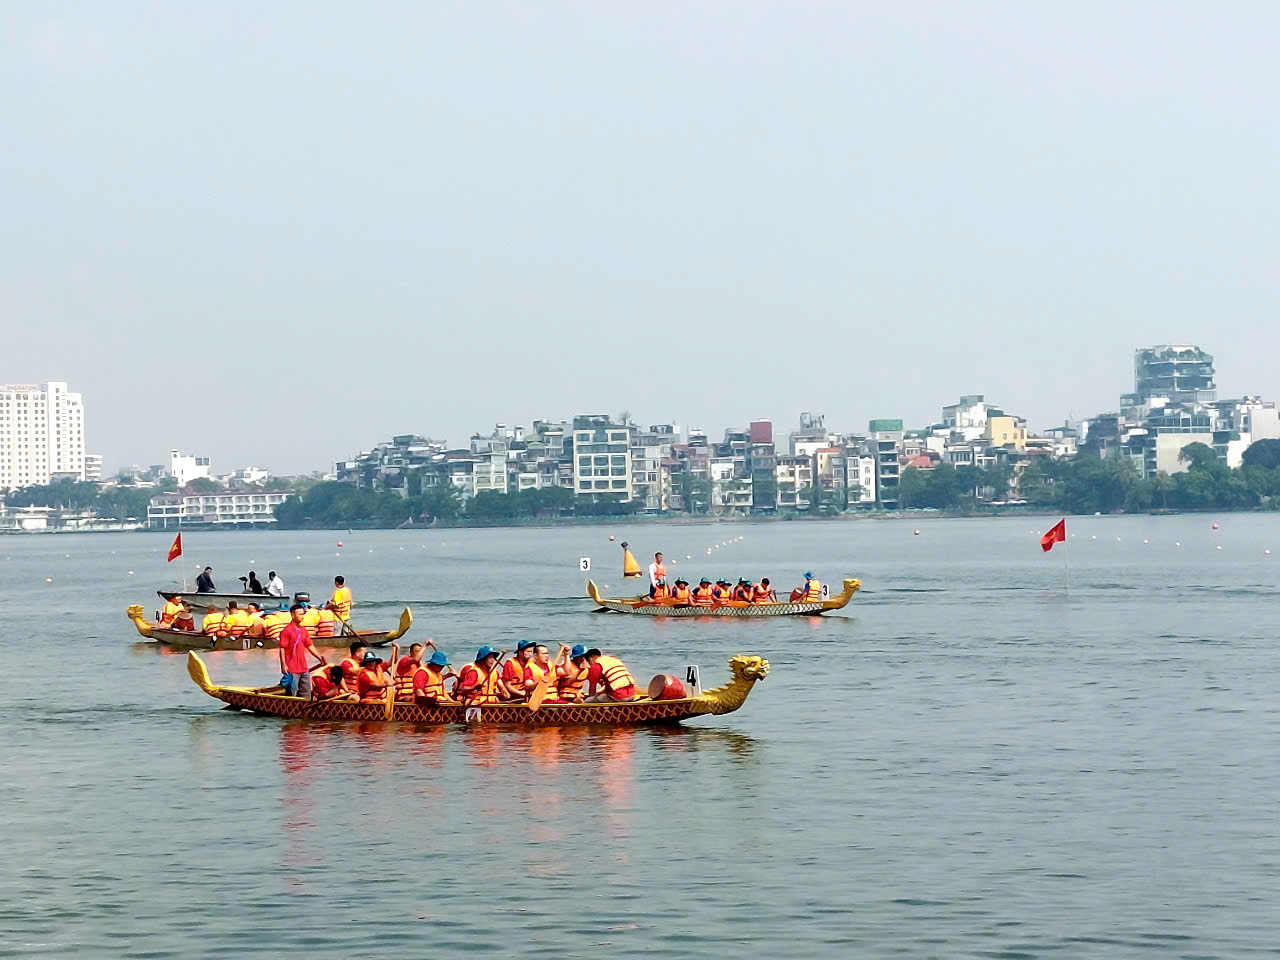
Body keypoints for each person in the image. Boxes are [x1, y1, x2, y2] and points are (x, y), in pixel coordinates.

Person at [279, 603, 326, 698]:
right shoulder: (287, 631)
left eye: (303, 614)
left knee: (306, 693)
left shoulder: (303, 631)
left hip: (304, 668)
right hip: (292, 669)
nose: (302, 616)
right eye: (300, 614)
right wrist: (283, 665)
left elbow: (310, 646)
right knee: (292, 693)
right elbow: (282, 649)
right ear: (292, 615)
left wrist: (320, 658)